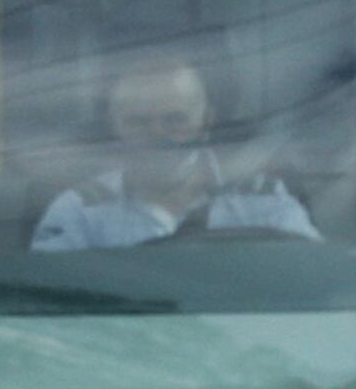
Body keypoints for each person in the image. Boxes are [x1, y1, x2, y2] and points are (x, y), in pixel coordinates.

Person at [30, 51, 318, 252]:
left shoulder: (265, 205)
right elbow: (46, 313)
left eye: (174, 120)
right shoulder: (79, 213)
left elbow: (313, 282)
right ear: (114, 127)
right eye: (137, 122)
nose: (157, 136)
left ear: (206, 122)